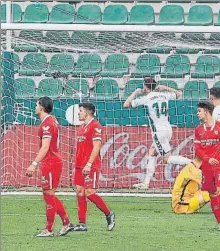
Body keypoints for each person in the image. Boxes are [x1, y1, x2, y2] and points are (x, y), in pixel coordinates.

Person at [124, 78, 191, 189]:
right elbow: (179, 94)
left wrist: (135, 92)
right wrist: (164, 87)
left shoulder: (146, 98)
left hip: (158, 132)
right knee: (152, 153)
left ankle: (192, 163)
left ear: (145, 87)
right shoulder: (164, 95)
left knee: (166, 159)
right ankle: (146, 183)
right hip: (168, 129)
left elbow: (126, 104)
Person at [25, 96, 74, 237]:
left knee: (49, 195)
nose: (35, 108)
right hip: (51, 162)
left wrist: (34, 164)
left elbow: (45, 147)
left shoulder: (47, 124)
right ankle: (66, 223)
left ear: (41, 107)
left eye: (36, 105)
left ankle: (49, 229)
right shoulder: (50, 121)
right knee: (48, 195)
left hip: (51, 163)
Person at [72, 103, 115, 232]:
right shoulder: (81, 127)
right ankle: (82, 223)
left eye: (80, 111)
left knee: (89, 193)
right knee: (79, 191)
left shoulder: (95, 126)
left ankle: (109, 214)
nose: (79, 113)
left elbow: (97, 146)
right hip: (79, 165)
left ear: (88, 112)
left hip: (90, 165)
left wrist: (89, 164)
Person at [194, 101, 220, 231]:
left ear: (206, 112)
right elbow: (198, 149)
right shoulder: (198, 130)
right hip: (207, 167)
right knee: (212, 194)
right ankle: (219, 222)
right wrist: (207, 159)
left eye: (199, 111)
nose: (197, 114)